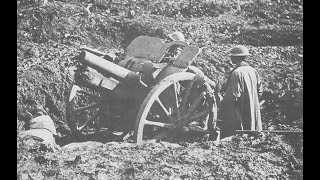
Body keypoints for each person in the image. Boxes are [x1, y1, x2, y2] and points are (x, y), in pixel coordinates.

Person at [219, 45, 262, 139]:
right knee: (251, 125)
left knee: (238, 129)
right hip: (252, 105)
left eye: (232, 56)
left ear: (235, 57)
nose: (230, 58)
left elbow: (233, 95)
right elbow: (260, 90)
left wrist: (223, 105)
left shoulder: (236, 73)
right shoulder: (253, 70)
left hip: (240, 108)